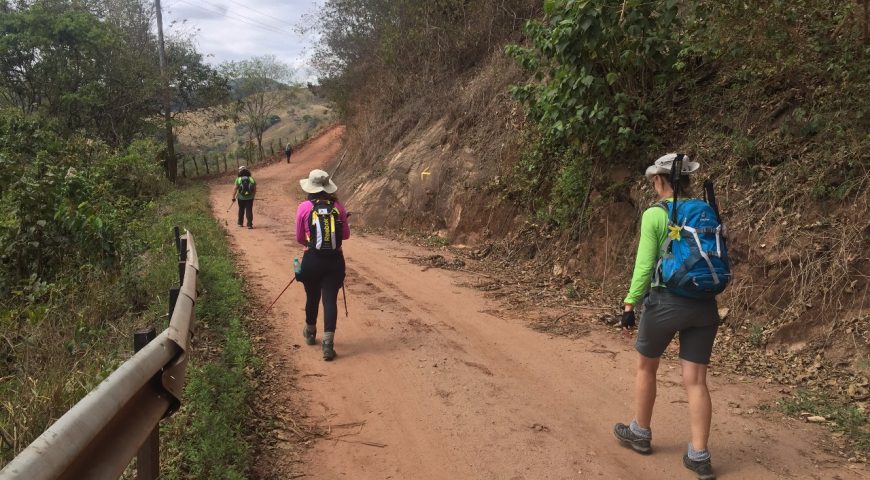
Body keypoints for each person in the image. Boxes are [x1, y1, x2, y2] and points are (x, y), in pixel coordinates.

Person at [614, 153, 720, 480]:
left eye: (653, 181)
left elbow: (645, 266)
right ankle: (699, 455)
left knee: (647, 367)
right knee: (696, 381)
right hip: (704, 304)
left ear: (660, 180)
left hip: (665, 303)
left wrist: (630, 304)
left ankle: (641, 433)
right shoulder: (704, 211)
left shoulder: (655, 215)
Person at [295, 169, 350, 361]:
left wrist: (311, 244)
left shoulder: (303, 207)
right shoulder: (339, 207)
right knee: (329, 300)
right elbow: (345, 236)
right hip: (335, 261)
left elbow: (299, 237)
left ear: (310, 188)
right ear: (327, 187)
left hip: (312, 259)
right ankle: (328, 345)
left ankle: (310, 332)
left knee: (312, 297)